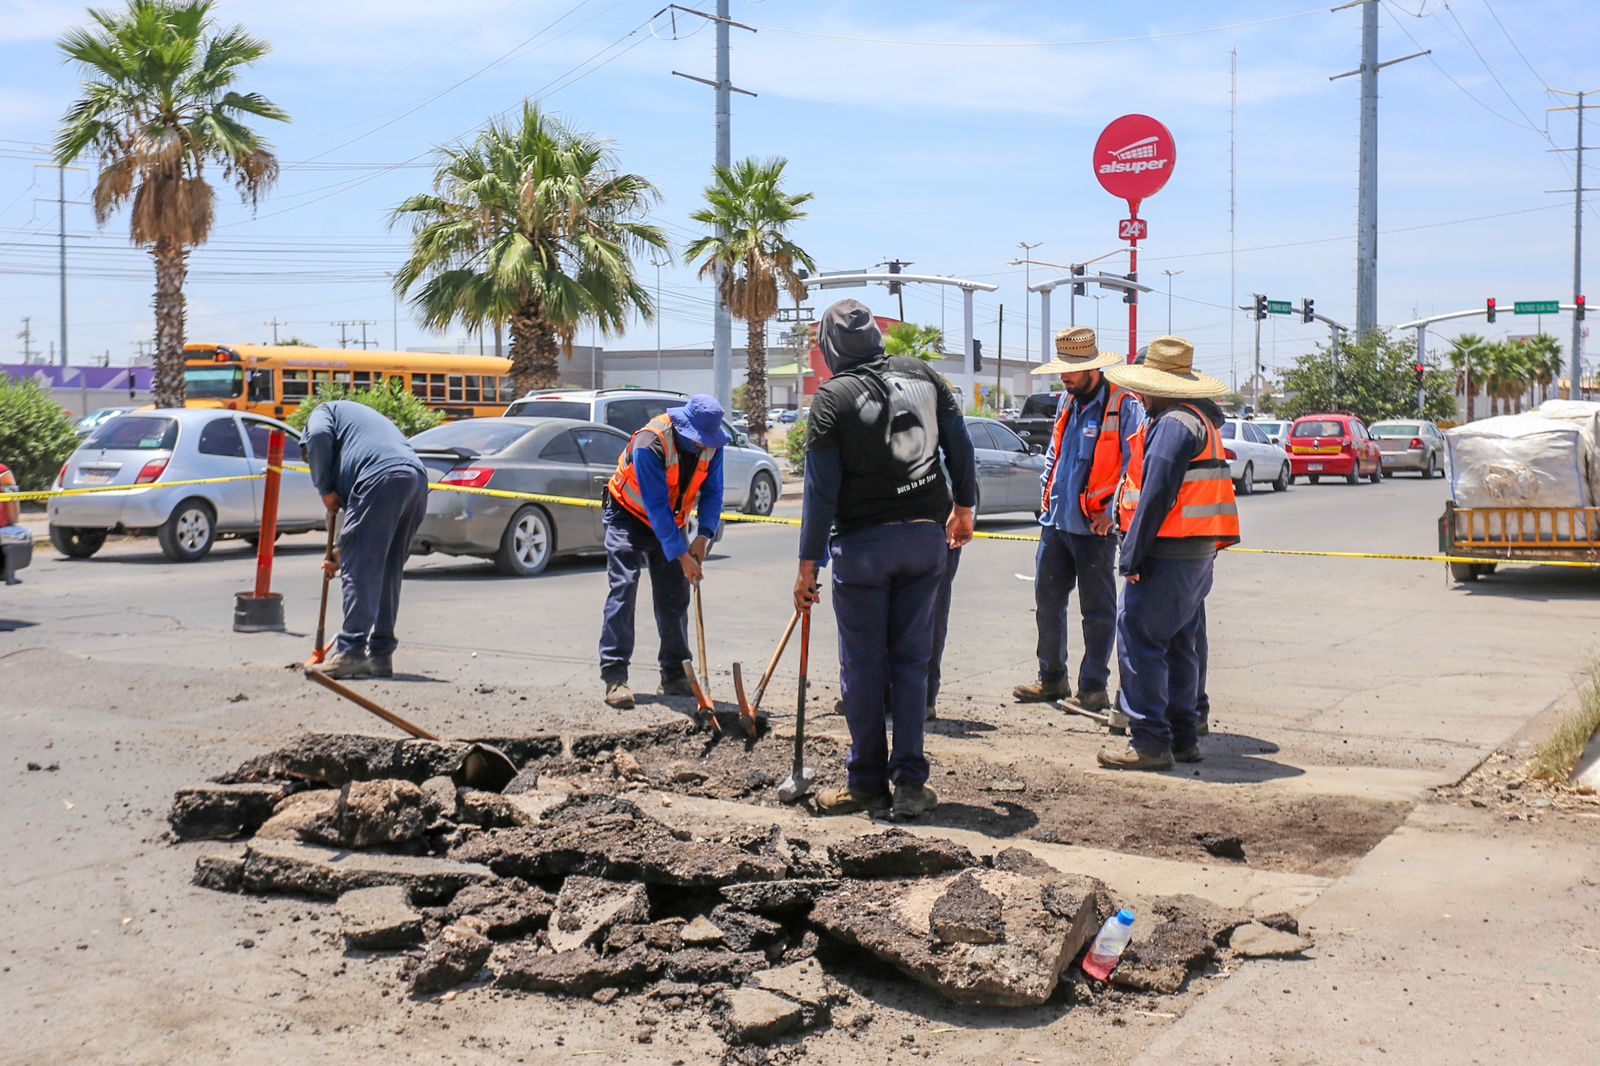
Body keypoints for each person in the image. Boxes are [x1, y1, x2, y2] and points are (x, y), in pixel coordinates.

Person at [794, 299, 978, 818]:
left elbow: (820, 491)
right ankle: (911, 783)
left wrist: (808, 562)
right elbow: (959, 446)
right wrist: (964, 506)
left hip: (865, 547)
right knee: (912, 662)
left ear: (831, 349)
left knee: (864, 666)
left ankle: (867, 782)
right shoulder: (923, 375)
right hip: (926, 541)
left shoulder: (832, 399)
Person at [1099, 336, 1239, 771]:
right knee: (1180, 645)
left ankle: (1149, 743)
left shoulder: (1174, 425)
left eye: (1143, 386)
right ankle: (1183, 737)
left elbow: (1156, 495)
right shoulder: (1200, 421)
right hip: (1197, 552)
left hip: (1168, 551)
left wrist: (1133, 556)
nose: (1138, 394)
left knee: (1140, 641)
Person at [1011, 328, 1144, 714]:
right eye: (1063, 372)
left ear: (1093, 369)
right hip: (1057, 522)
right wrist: (1045, 494)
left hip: (1094, 528)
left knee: (1097, 610)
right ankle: (1051, 678)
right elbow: (1056, 452)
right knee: (1047, 602)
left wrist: (1112, 513)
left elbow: (1134, 466)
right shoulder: (1067, 402)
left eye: (1072, 372)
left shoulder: (1123, 404)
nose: (1065, 379)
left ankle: (1092, 688)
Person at [599, 395, 728, 710]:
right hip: (628, 515)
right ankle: (615, 676)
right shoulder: (650, 443)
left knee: (674, 596)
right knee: (624, 587)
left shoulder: (713, 445)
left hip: (673, 519)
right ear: (684, 427)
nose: (702, 447)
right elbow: (656, 509)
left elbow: (713, 492)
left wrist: (704, 537)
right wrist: (682, 556)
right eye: (698, 441)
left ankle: (674, 673)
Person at [302, 400, 430, 680]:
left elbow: (319, 435)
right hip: (415, 480)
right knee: (385, 570)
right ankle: (381, 656)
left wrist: (323, 486)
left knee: (361, 570)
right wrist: (340, 553)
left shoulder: (323, 413)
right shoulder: (357, 433)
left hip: (381, 479)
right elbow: (359, 533)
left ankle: (351, 651)